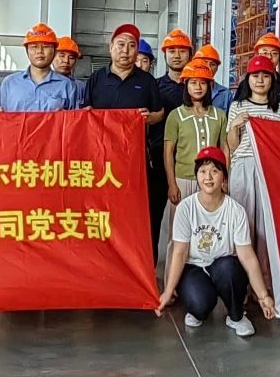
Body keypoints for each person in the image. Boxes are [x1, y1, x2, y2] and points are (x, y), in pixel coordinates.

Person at [155, 146, 276, 336]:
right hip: (194, 267)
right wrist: (168, 292)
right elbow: (179, 252)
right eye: (203, 171)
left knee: (228, 267)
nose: (208, 177)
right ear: (197, 176)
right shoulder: (186, 208)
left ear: (224, 178)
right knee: (199, 303)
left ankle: (236, 316)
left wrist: (263, 296)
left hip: (223, 266)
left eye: (214, 171)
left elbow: (247, 255)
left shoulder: (235, 210)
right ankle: (198, 308)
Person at [84, 24, 166, 252]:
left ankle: (138, 261)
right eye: (120, 45)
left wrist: (149, 118)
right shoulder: (97, 79)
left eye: (131, 46)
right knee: (102, 211)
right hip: (101, 160)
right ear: (110, 48)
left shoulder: (147, 81)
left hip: (134, 161)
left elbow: (159, 113)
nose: (125, 51)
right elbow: (85, 113)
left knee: (134, 213)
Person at [225, 55, 280, 245]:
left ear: (272, 79)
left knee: (268, 222)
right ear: (248, 79)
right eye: (255, 76)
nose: (260, 80)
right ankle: (242, 261)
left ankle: (265, 263)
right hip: (243, 166)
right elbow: (232, 146)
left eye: (265, 76)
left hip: (271, 169)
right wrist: (235, 125)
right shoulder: (237, 106)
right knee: (242, 219)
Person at [163, 58, 227, 230]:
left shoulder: (219, 115)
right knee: (179, 229)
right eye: (193, 82)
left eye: (203, 83)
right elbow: (168, 152)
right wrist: (172, 184)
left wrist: (224, 179)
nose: (198, 87)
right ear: (186, 85)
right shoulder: (175, 115)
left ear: (209, 86)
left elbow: (225, 149)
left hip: (211, 179)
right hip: (183, 180)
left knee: (208, 228)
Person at [0, 23, 81, 112]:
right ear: (27, 51)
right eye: (34, 47)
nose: (39, 51)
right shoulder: (9, 83)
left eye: (45, 47)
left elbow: (74, 119)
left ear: (54, 51)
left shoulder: (67, 86)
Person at [232, 32, 280, 107]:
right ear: (257, 55)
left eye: (274, 53)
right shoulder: (245, 85)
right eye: (265, 53)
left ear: (279, 57)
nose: (269, 57)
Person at [157, 28, 195, 113]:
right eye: (172, 51)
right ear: (165, 55)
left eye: (182, 51)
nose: (177, 56)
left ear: (190, 55)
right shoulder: (155, 86)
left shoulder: (197, 87)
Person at [192, 45, 232, 112]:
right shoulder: (188, 90)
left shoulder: (225, 94)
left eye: (212, 64)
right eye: (204, 62)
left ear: (217, 68)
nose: (208, 67)